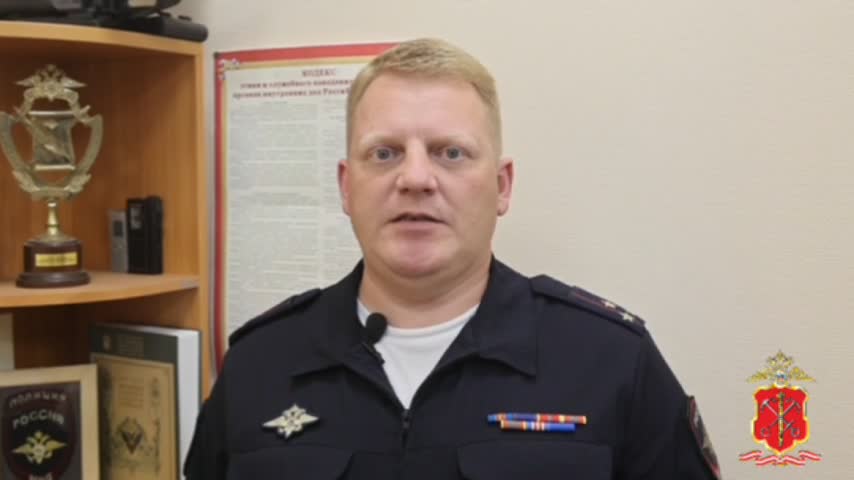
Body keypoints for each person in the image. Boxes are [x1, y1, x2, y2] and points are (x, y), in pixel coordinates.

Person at [184, 38, 720, 479]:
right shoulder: (259, 364)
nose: (415, 178)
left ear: (502, 186)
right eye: (385, 153)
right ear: (347, 187)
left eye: (451, 152)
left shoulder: (611, 360)